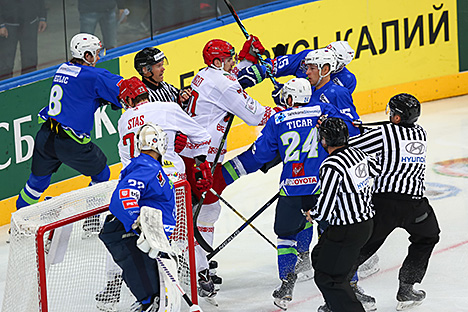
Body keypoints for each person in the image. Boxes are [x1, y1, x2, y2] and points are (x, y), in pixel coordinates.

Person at [95, 76, 212, 311]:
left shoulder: (124, 120)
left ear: (127, 99)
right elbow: (203, 138)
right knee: (177, 238)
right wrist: (188, 153)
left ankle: (114, 285)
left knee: (124, 233)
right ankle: (198, 277)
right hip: (172, 185)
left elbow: (126, 160)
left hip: (141, 184)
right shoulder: (168, 108)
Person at [179, 38, 282, 303]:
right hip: (202, 158)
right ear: (216, 62)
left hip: (193, 153)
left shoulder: (207, 75)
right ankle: (198, 268)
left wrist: (249, 57)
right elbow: (255, 115)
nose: (233, 62)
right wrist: (283, 112)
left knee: (204, 208)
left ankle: (200, 258)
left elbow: (236, 79)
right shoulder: (223, 83)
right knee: (203, 210)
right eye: (229, 58)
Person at [246, 78, 345, 310]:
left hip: (291, 189)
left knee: (285, 237)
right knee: (331, 235)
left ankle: (286, 285)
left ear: (289, 99)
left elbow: (261, 153)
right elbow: (344, 131)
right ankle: (343, 287)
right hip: (322, 187)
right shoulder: (323, 110)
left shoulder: (277, 119)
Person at [347, 93, 441, 311]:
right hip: (415, 205)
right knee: (428, 236)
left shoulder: (381, 133)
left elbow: (347, 145)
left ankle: (340, 285)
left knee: (365, 245)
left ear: (397, 117)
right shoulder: (420, 133)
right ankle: (407, 287)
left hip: (384, 204)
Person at [16, 33, 123, 209]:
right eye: (95, 53)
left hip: (46, 136)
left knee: (35, 185)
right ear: (86, 55)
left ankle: (18, 223)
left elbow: (79, 94)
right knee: (102, 175)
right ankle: (91, 220)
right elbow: (119, 89)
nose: (97, 57)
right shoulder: (93, 76)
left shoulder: (62, 69)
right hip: (71, 142)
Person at [305, 117, 380, 312]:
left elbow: (326, 208)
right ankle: (334, 304)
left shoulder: (331, 165)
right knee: (319, 255)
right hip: (365, 223)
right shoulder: (358, 154)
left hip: (347, 229)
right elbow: (377, 168)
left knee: (328, 278)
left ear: (324, 140)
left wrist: (312, 214)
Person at [99, 122, 175, 312]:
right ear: (157, 143)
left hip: (154, 235)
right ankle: (149, 302)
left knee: (152, 283)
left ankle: (150, 300)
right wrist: (137, 222)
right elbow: (124, 195)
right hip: (144, 234)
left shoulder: (148, 165)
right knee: (149, 286)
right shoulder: (147, 166)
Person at [0, 0, 47, 80]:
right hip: (8, 24)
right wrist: (1, 24)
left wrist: (43, 17)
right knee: (6, 63)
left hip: (30, 22)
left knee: (30, 60)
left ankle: (29, 85)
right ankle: (5, 89)